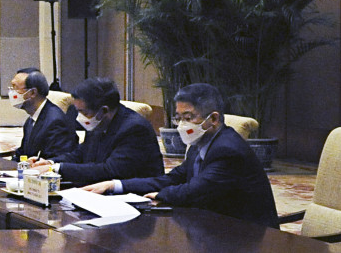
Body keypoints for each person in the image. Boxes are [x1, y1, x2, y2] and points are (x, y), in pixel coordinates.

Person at [82, 83, 277, 228]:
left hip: (247, 236)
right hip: (213, 227)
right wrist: (115, 185)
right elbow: (173, 178)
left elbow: (195, 190)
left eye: (189, 117)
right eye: (179, 118)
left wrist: (160, 195)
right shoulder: (199, 144)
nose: (183, 125)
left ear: (214, 119)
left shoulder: (228, 150)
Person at [30, 77, 163, 185]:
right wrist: (51, 163)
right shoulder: (98, 121)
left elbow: (110, 170)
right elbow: (81, 153)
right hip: (99, 191)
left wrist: (57, 169)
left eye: (84, 112)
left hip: (136, 199)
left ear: (104, 110)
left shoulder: (135, 129)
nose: (79, 118)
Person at [11, 67, 79, 159]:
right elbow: (22, 153)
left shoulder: (56, 121)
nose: (11, 92)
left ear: (32, 93)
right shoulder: (31, 120)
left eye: (15, 88)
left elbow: (57, 159)